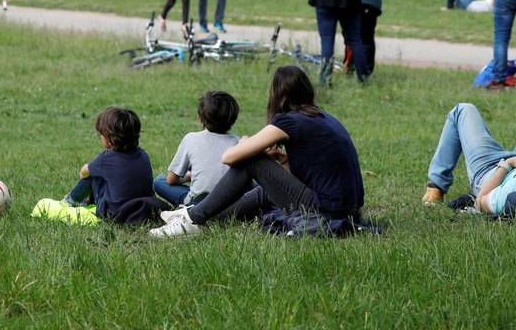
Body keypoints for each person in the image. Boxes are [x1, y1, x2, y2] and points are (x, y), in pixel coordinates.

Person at [149, 65, 366, 237]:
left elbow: (229, 157)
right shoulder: (322, 117)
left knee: (251, 161)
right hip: (345, 209)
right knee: (264, 189)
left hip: (322, 211)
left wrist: (245, 142)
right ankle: (196, 218)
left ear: (278, 95)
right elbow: (313, 171)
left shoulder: (288, 121)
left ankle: (191, 218)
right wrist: (281, 159)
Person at [60, 107, 155, 219]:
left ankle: (70, 201)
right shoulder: (143, 155)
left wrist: (82, 174)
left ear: (109, 138)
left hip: (113, 213)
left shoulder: (106, 158)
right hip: (143, 208)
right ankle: (85, 201)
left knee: (92, 174)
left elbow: (84, 171)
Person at [153, 91, 240, 208]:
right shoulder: (239, 143)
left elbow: (171, 180)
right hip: (233, 203)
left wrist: (189, 176)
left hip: (197, 203)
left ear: (201, 119)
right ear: (233, 118)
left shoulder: (191, 139)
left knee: (159, 181)